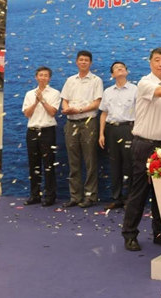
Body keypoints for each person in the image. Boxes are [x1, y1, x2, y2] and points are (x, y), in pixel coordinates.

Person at [122, 47, 161, 251]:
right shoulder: (145, 83)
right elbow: (160, 93)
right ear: (150, 63)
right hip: (145, 145)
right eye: (157, 60)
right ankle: (130, 234)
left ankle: (160, 234)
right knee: (139, 192)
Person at [60, 50, 103, 209]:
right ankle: (75, 196)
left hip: (88, 122)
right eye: (81, 60)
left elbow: (97, 103)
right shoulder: (70, 80)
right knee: (73, 161)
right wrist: (66, 109)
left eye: (86, 60)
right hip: (71, 122)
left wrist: (78, 110)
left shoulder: (96, 80)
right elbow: (64, 100)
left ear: (90, 63)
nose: (83, 62)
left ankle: (90, 196)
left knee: (90, 160)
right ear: (76, 62)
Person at [99, 61, 137, 210]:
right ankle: (116, 198)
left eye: (122, 67)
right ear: (112, 74)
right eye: (116, 68)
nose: (120, 69)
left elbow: (140, 111)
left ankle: (130, 199)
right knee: (114, 165)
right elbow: (104, 113)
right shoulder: (108, 92)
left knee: (129, 164)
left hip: (128, 129)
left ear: (126, 72)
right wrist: (101, 134)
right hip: (111, 130)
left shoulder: (135, 90)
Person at [22, 66, 61, 207]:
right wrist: (36, 101)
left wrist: (43, 100)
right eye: (41, 75)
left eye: (46, 75)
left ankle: (50, 196)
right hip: (32, 131)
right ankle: (35, 195)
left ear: (49, 78)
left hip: (47, 131)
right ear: (36, 77)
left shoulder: (55, 93)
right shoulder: (29, 94)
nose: (43, 77)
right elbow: (27, 114)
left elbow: (52, 112)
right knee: (34, 165)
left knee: (48, 164)